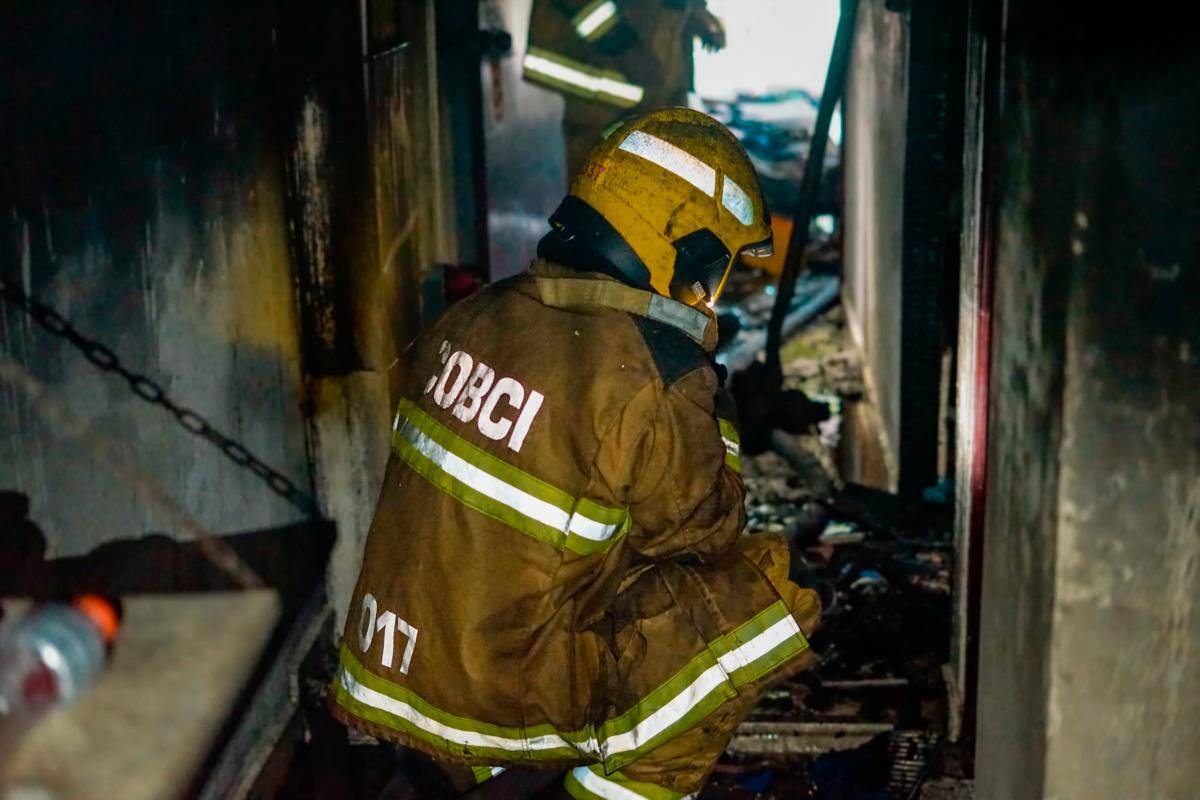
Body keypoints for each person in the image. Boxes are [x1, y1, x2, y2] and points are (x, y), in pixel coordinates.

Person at [329, 108, 822, 799]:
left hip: (392, 676)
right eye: (712, 269)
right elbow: (705, 534)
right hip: (498, 706)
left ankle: (483, 772)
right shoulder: (652, 373)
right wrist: (715, 411)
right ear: (676, 245)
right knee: (761, 594)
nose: (706, 294)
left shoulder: (481, 312)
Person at [523, 0, 727, 175]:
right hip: (600, 96)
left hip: (659, 92)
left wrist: (695, 10)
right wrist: (620, 43)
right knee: (598, 200)